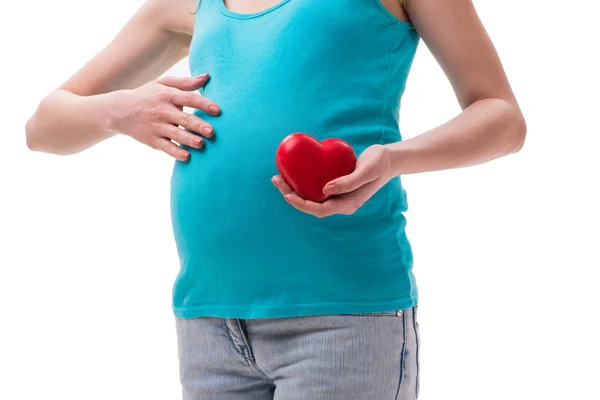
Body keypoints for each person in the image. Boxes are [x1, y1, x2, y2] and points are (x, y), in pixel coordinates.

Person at [25, 0, 526, 398]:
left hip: (341, 320)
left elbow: (502, 116)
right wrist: (120, 111)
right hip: (209, 324)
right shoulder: (191, 4)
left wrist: (393, 159)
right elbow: (44, 126)